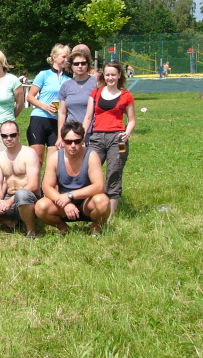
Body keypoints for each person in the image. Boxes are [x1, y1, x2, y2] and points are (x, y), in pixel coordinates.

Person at [35, 121, 110, 235]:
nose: (73, 145)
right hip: (62, 205)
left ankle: (96, 229)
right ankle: (63, 228)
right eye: (69, 142)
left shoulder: (91, 155)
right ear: (63, 141)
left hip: (86, 203)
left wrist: (70, 195)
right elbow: (47, 186)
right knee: (41, 207)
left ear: (83, 141)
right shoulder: (55, 158)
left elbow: (99, 186)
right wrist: (65, 203)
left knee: (102, 201)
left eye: (77, 141)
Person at [83, 61, 136, 217]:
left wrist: (127, 132)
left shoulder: (126, 95)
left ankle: (109, 216)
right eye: (107, 75)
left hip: (117, 139)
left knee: (114, 172)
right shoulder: (95, 93)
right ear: (103, 76)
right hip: (97, 137)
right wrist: (81, 137)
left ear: (119, 75)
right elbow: (88, 117)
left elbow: (132, 120)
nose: (110, 78)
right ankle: (89, 208)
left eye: (113, 74)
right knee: (89, 171)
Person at [25, 44, 71, 165]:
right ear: (54, 57)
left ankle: (48, 179)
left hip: (57, 121)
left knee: (54, 162)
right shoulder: (44, 74)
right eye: (64, 56)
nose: (66, 60)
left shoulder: (68, 80)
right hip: (40, 118)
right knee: (37, 160)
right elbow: (30, 97)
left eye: (68, 57)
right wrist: (45, 106)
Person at [57, 48, 98, 146]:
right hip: (71, 133)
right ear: (71, 65)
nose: (80, 66)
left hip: (92, 132)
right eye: (76, 64)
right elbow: (62, 113)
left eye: (83, 63)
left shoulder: (96, 83)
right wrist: (60, 136)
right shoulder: (66, 86)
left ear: (88, 65)